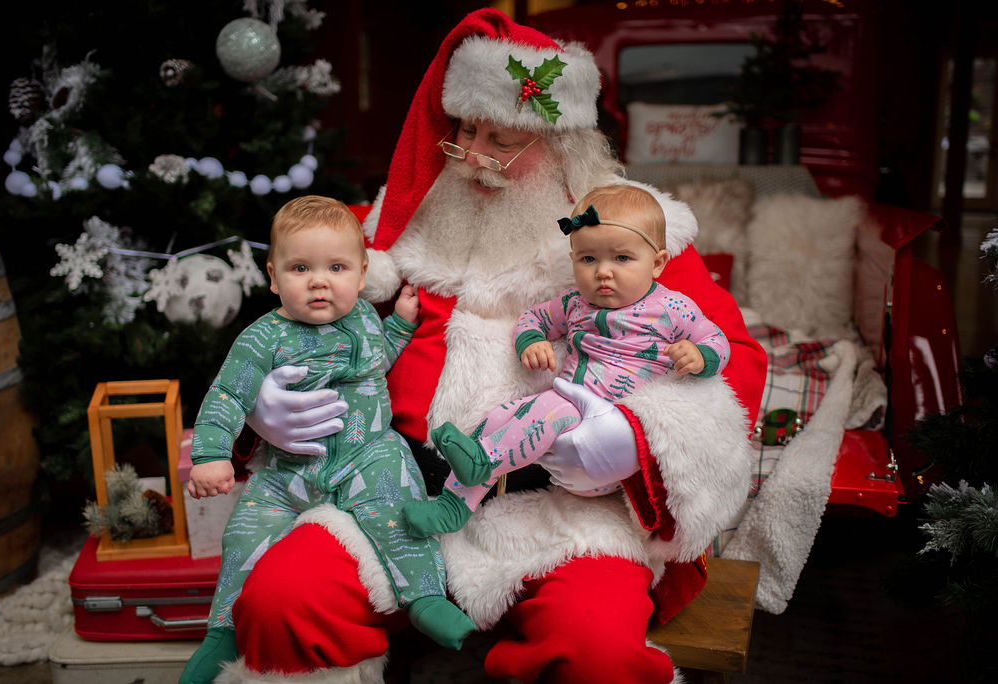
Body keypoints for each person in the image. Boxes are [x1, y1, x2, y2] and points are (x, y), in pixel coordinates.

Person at [219, 9, 769, 684]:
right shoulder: (399, 224)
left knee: (597, 651)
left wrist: (636, 437)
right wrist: (264, 400)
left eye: (502, 140)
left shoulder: (629, 238)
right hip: (395, 491)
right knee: (281, 600)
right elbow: (297, 302)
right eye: (464, 132)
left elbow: (735, 357)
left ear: (563, 145)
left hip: (564, 513)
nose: (476, 157)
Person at [179, 196, 474, 684]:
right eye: (300, 268)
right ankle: (223, 633)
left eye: (336, 268)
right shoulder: (262, 338)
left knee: (398, 511)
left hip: (367, 455)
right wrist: (211, 455)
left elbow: (379, 359)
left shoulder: (364, 318)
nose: (319, 281)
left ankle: (423, 597)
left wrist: (400, 324)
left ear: (361, 276)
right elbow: (227, 395)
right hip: (289, 470)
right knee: (243, 535)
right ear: (274, 278)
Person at [402, 184, 730, 537]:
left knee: (550, 408)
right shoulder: (574, 303)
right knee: (499, 417)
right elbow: (533, 319)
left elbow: (716, 340)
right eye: (588, 259)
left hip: (616, 438)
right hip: (565, 421)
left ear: (658, 263)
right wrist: (532, 342)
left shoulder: (672, 308)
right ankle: (453, 505)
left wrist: (700, 356)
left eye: (622, 258)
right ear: (573, 259)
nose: (603, 272)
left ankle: (483, 462)